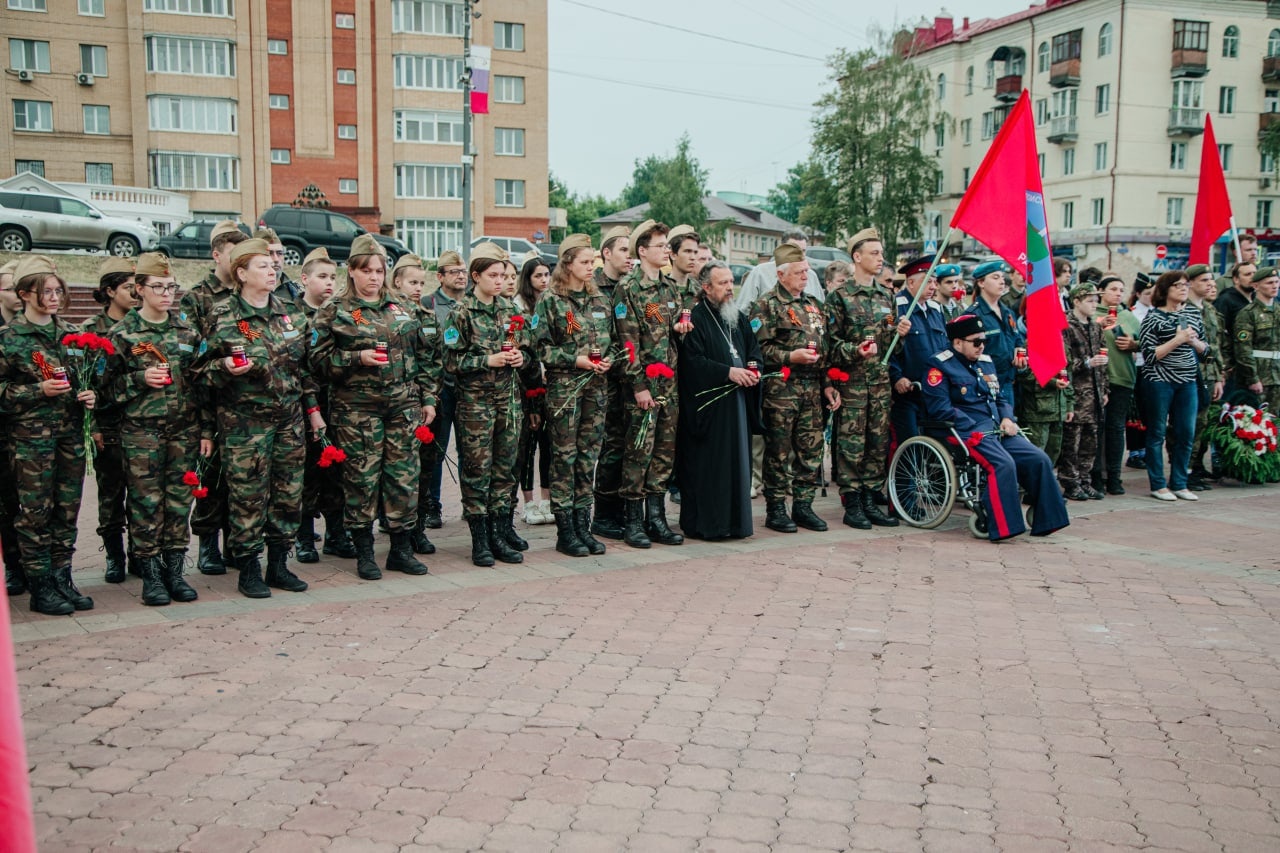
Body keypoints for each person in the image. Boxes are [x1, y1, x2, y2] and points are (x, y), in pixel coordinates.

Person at [195, 238, 318, 597]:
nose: (271, 270)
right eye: (262, 266)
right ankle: (248, 567)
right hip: (244, 425)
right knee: (248, 495)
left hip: (289, 421)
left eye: (272, 264)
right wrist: (225, 368)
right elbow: (199, 373)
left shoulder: (290, 313)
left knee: (288, 493)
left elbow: (305, 368)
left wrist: (312, 412)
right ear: (241, 272)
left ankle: (279, 565)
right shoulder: (221, 315)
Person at [309, 235, 434, 580]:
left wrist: (428, 399)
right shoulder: (334, 311)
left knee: (403, 480)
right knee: (362, 480)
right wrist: (356, 358)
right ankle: (364, 552)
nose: (374, 277)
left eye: (379, 271)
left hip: (403, 408)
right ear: (351, 271)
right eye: (366, 271)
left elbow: (425, 355)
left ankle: (400, 550)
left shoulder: (402, 307)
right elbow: (316, 362)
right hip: (357, 412)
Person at [0, 255, 99, 614]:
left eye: (59, 291)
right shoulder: (9, 339)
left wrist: (90, 394)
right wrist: (35, 391)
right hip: (30, 441)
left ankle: (62, 578)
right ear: (25, 294)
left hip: (69, 438)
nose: (55, 297)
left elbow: (89, 378)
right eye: (47, 292)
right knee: (34, 513)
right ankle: (40, 586)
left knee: (67, 510)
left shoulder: (70, 335)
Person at [103, 253, 202, 606]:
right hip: (141, 434)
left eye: (170, 287)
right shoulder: (122, 333)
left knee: (179, 504)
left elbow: (200, 385)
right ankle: (151, 577)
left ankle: (175, 573)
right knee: (146, 505)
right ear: (140, 289)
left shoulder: (187, 332)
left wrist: (204, 431)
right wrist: (139, 380)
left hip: (183, 432)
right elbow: (105, 390)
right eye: (157, 287)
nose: (166, 293)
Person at [920, 314, 1070, 541]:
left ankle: (1048, 519)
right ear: (958, 342)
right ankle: (1002, 524)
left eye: (984, 341)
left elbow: (999, 399)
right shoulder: (939, 365)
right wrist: (974, 426)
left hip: (997, 428)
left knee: (1039, 459)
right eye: (976, 341)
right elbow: (940, 409)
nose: (982, 346)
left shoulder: (986, 362)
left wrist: (1007, 419)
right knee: (1003, 464)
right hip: (964, 431)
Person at [443, 246, 535, 566]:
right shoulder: (462, 312)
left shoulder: (510, 310)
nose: (499, 281)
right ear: (476, 276)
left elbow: (526, 347)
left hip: (508, 402)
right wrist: (487, 360)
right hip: (475, 404)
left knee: (504, 470)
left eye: (502, 275)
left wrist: (521, 357)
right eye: (492, 275)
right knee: (477, 472)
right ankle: (479, 540)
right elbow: (450, 360)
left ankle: (498, 534)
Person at [751, 243, 841, 533]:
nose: (806, 275)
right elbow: (758, 349)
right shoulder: (766, 305)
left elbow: (824, 348)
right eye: (800, 271)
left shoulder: (813, 305)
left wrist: (827, 384)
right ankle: (776, 509)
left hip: (813, 388)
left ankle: (803, 507)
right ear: (781, 273)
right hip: (782, 388)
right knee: (778, 451)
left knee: (811, 450)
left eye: (807, 270)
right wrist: (790, 356)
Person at [613, 220, 692, 548]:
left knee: (663, 453)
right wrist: (639, 385)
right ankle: (633, 521)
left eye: (666, 246)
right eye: (660, 246)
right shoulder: (628, 288)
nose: (666, 251)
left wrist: (681, 329)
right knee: (638, 452)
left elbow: (671, 329)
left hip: (669, 385)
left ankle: (656, 519)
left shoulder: (671, 288)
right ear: (642, 250)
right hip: (642, 386)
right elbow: (626, 342)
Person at [534, 234, 614, 555]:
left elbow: (610, 340)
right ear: (567, 264)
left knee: (588, 457)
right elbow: (540, 347)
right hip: (565, 390)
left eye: (593, 261)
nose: (591, 267)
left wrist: (606, 359)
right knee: (565, 458)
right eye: (584, 261)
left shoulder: (599, 300)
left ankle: (584, 524)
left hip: (596, 388)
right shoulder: (551, 300)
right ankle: (565, 529)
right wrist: (574, 360)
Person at [676, 261, 763, 539]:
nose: (730, 288)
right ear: (706, 288)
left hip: (737, 404)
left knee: (737, 465)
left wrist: (753, 370)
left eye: (730, 282)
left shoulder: (737, 316)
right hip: (710, 409)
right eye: (723, 283)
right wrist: (728, 372)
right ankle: (709, 526)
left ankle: (736, 524)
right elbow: (692, 362)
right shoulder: (696, 319)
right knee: (711, 468)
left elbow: (753, 350)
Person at [181, 220, 248, 576]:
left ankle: (237, 544)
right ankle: (208, 545)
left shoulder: (248, 296)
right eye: (235, 254)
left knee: (241, 480)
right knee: (210, 476)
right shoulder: (197, 297)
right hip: (210, 399)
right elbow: (191, 358)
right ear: (218, 255)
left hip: (245, 403)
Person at [824, 228, 900, 530]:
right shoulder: (839, 298)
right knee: (850, 446)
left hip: (880, 386)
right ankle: (852, 503)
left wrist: (899, 333)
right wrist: (855, 350)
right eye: (874, 253)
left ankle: (871, 498)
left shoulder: (887, 297)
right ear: (857, 257)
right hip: (853, 385)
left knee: (877, 445)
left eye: (881, 253)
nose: (880, 259)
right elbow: (830, 342)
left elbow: (892, 338)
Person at [293, 247, 355, 562]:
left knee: (336, 471)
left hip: (337, 402)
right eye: (322, 276)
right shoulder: (292, 316)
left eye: (333, 277)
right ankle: (304, 538)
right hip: (305, 405)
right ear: (305, 279)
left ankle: (335, 534)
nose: (329, 283)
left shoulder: (338, 312)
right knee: (307, 473)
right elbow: (298, 363)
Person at [80, 257, 138, 583]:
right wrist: (95, 427)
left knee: (143, 496)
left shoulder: (144, 325)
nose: (135, 293)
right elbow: (85, 383)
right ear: (109, 290)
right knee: (111, 493)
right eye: (128, 287)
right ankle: (115, 556)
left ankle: (141, 556)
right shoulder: (91, 331)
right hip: (110, 426)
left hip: (142, 424)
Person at [389, 252, 442, 555]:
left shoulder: (427, 316)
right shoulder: (389, 315)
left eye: (422, 282)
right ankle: (396, 529)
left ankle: (418, 528)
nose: (418, 287)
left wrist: (430, 398)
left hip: (424, 403)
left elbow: (432, 363)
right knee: (399, 474)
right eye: (412, 282)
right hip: (396, 403)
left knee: (423, 469)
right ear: (397, 282)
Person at [1139, 271, 1209, 501]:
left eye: (1186, 285)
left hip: (1188, 381)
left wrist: (1193, 342)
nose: (1183, 289)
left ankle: (1179, 482)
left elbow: (1207, 353)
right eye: (1178, 285)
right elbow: (1149, 355)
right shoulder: (1154, 317)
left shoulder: (1192, 315)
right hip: (1159, 381)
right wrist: (1177, 340)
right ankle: (1158, 484)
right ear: (1166, 289)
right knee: (1157, 432)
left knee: (1186, 432)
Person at [590, 225, 633, 540]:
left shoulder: (632, 287)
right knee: (610, 448)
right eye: (623, 250)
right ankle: (603, 515)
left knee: (628, 446)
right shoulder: (592, 288)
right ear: (606, 253)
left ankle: (623, 512)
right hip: (601, 382)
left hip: (629, 379)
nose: (629, 257)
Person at [421, 249, 467, 532]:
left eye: (463, 271)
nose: (461, 276)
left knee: (470, 450)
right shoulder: (429, 303)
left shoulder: (474, 301)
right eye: (454, 272)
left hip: (469, 387)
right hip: (440, 388)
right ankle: (431, 507)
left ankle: (470, 505)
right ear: (440, 276)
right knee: (436, 450)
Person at [888, 257, 948, 443]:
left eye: (934, 281)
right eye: (927, 281)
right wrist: (896, 376)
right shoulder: (897, 307)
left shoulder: (936, 309)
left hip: (933, 390)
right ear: (911, 282)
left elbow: (944, 345)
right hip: (907, 391)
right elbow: (888, 346)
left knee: (936, 442)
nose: (933, 286)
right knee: (910, 442)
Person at [1060, 283, 1109, 501]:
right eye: (1090, 300)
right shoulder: (1066, 326)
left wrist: (1105, 388)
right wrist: (1086, 363)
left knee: (1091, 442)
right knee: (1072, 441)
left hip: (1095, 394)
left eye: (1096, 300)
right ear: (1077, 301)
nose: (1094, 304)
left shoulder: (1096, 327)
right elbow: (1064, 362)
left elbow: (1104, 361)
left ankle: (1085, 480)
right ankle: (1070, 482)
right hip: (1077, 393)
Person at [515, 257, 553, 526]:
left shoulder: (551, 302)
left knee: (548, 446)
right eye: (538, 275)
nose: (544, 280)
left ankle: (546, 500)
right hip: (528, 382)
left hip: (550, 382)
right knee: (528, 447)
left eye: (547, 274)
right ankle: (528, 503)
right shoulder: (518, 306)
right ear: (527, 278)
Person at [1096, 274, 1140, 494]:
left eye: (1121, 290)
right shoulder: (1093, 314)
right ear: (1101, 291)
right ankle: (1095, 475)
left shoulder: (1127, 316)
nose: (1118, 293)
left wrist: (1133, 344)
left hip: (1122, 377)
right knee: (1096, 429)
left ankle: (1114, 476)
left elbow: (1146, 342)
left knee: (1115, 429)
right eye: (1113, 289)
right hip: (1095, 380)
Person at [1184, 264, 1224, 490]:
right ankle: (1185, 470)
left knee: (1203, 424)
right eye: (1204, 280)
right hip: (1190, 374)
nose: (1210, 284)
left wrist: (1217, 376)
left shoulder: (1209, 310)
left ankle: (1196, 466)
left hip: (1208, 375)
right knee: (1190, 424)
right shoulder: (1185, 309)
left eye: (1211, 280)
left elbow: (1215, 347)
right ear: (1190, 283)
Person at [968, 261, 1026, 409]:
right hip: (984, 385)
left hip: (1008, 382)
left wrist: (1019, 352)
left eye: (1002, 277)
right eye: (995, 277)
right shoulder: (973, 315)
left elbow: (1016, 339)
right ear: (981, 283)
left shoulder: (1007, 311)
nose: (1002, 281)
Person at [0, 260, 23, 597]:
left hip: (27, 432)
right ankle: (15, 568)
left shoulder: (28, 329)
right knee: (6, 504)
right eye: (8, 288)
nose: (15, 295)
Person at [734, 229, 824, 312]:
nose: (798, 255)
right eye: (794, 250)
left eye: (803, 251)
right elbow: (743, 309)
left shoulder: (811, 276)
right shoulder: (760, 273)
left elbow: (822, 309)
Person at [1232, 265, 1280, 414]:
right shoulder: (1248, 313)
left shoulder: (1278, 310)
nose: (1274, 286)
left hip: (1278, 374)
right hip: (1260, 375)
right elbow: (1243, 349)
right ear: (1256, 286)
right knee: (1258, 420)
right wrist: (1253, 378)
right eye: (1269, 283)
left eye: (1276, 282)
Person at [1216, 260, 1257, 396]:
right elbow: (1219, 333)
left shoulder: (1257, 300)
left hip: (1254, 365)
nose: (1252, 277)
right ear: (1236, 279)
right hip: (1233, 366)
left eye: (1254, 273)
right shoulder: (1226, 300)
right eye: (1247, 274)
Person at [254, 227, 302, 308]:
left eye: (279, 253)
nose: (276, 259)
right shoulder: (245, 293)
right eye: (270, 253)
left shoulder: (295, 291)